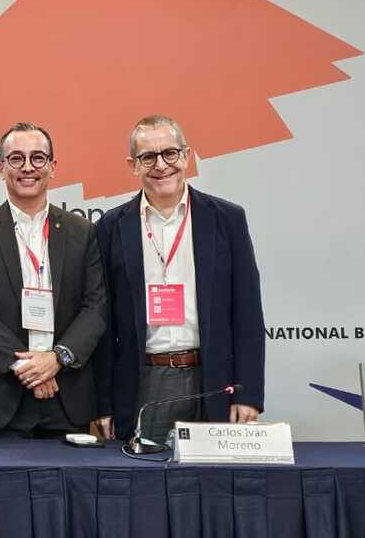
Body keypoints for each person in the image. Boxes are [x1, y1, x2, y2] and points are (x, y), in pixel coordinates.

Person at [93, 115, 265, 443]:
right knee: (145, 488)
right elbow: (102, 326)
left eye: (170, 153)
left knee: (214, 487)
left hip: (215, 381)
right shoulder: (111, 228)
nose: (161, 165)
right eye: (148, 157)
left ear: (186, 155)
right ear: (133, 165)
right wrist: (103, 402)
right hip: (144, 382)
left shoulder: (227, 219)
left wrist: (249, 393)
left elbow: (248, 314)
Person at [0, 122, 108, 438]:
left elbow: (96, 306)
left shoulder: (83, 232)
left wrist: (57, 359)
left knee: (68, 489)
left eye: (38, 158)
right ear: (1, 168)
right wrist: (28, 368)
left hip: (66, 393)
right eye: (16, 159)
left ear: (53, 167)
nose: (28, 168)